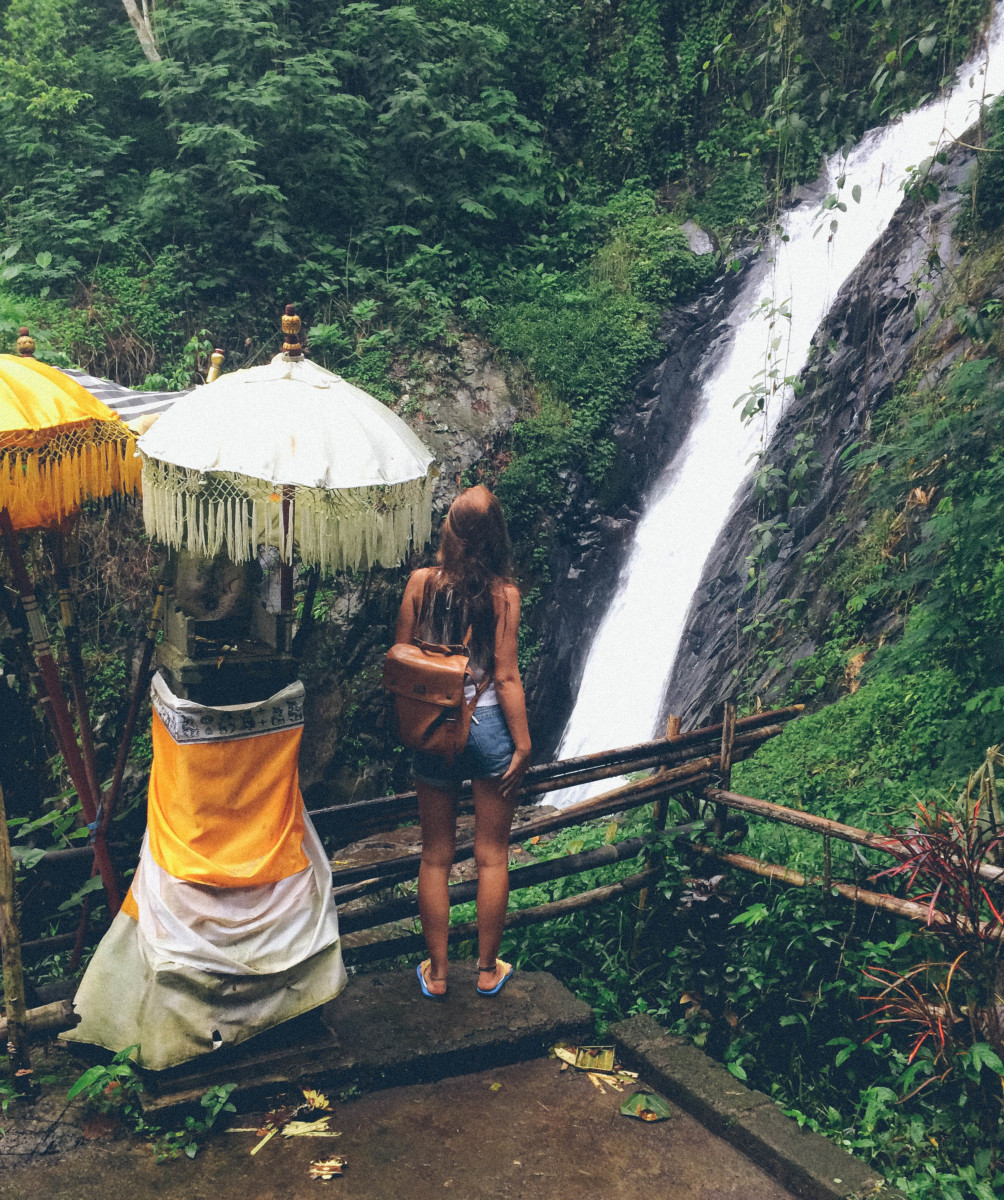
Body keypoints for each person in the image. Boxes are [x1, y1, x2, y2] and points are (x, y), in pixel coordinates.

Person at [394, 486, 531, 998]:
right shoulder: (504, 595)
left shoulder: (420, 584)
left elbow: (403, 659)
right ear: (496, 539)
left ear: (449, 530)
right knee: (492, 854)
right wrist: (522, 744)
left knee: (435, 856)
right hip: (488, 725)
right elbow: (508, 678)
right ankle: (487, 970)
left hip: (433, 728)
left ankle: (439, 972)